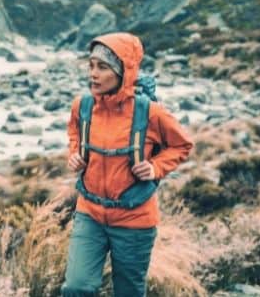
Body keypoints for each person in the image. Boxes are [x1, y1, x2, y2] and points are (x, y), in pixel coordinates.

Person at [61, 32, 193, 297]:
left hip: (135, 219)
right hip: (90, 213)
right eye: (91, 66)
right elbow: (74, 132)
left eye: (103, 67)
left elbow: (182, 145)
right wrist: (74, 153)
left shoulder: (150, 112)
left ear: (123, 72)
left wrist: (156, 167)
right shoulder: (83, 106)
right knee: (76, 287)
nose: (93, 74)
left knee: (129, 292)